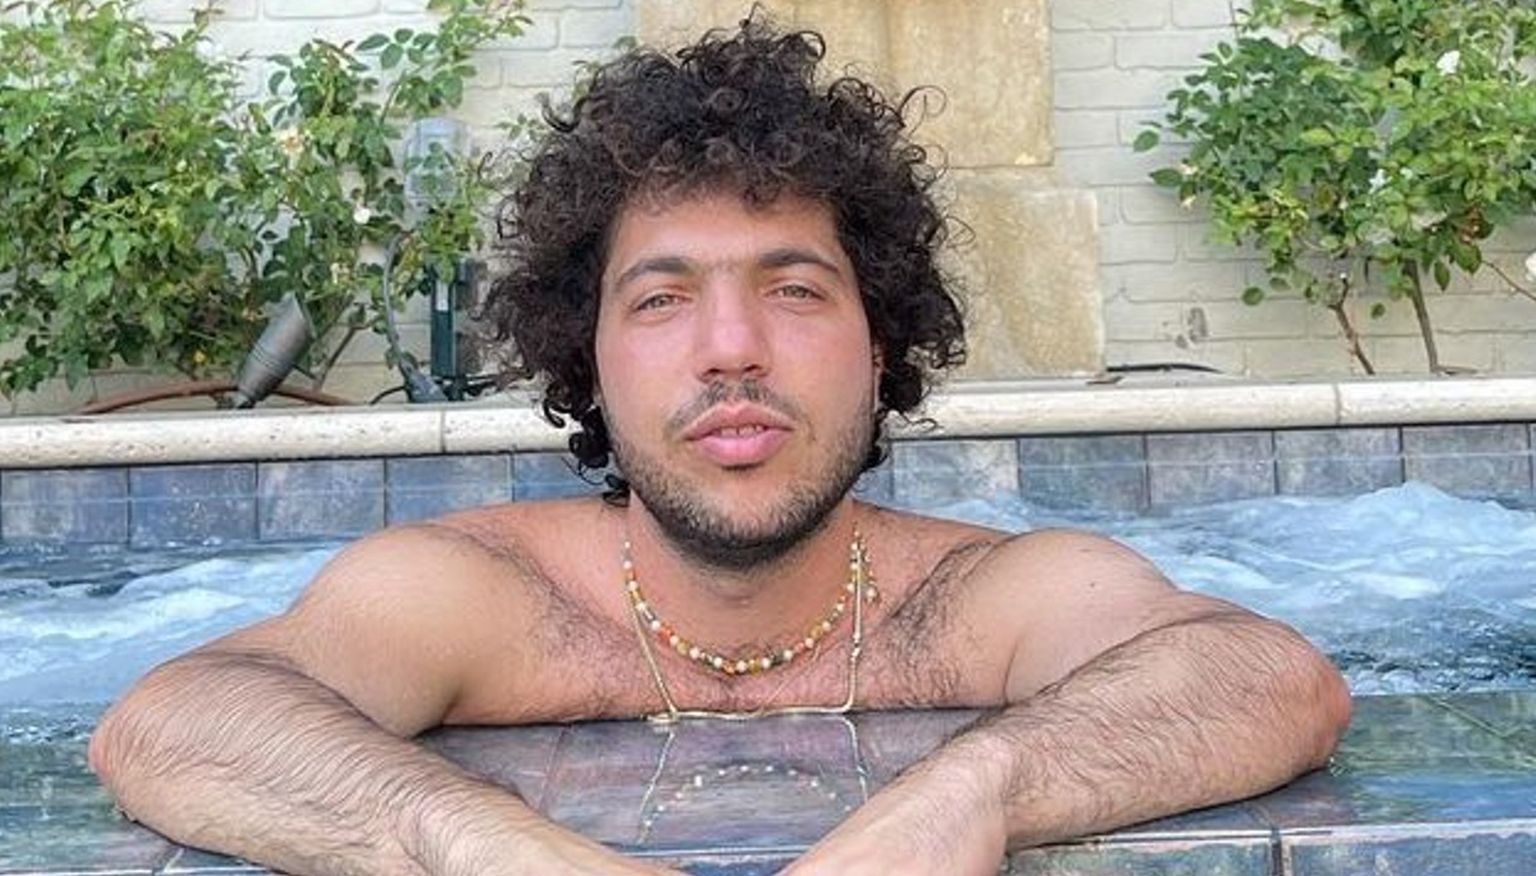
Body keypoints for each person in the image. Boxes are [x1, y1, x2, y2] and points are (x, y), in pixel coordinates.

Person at [89, 19, 1352, 876]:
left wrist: (973, 793)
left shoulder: (989, 597)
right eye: (661, 300)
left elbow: (1269, 679)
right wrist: (470, 836)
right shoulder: (474, 598)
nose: (731, 348)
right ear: (587, 358)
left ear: (880, 344)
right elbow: (171, 721)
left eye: (795, 290)